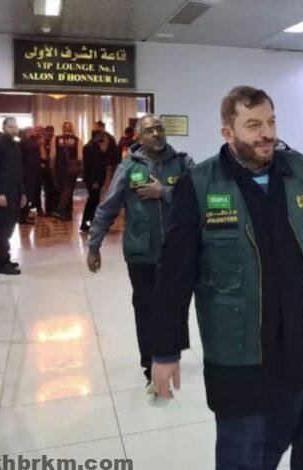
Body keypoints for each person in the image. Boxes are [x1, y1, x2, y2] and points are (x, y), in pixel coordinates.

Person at [150, 86, 303, 470]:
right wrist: (165, 352)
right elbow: (174, 275)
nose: (267, 133)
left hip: (296, 342)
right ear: (228, 132)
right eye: (253, 125)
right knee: (241, 450)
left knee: (282, 434)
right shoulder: (200, 183)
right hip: (236, 352)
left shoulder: (295, 171)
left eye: (271, 122)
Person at [87, 115, 193, 383]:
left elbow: (198, 199)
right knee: (146, 308)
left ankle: (169, 356)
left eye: (159, 129)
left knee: (173, 308)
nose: (156, 134)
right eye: (149, 131)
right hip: (141, 253)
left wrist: (164, 192)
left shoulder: (183, 163)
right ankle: (150, 364)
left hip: (176, 253)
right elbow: (108, 208)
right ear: (139, 136)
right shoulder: (127, 168)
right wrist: (94, 245)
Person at [0, 117, 26, 275]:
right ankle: (3, 264)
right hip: (2, 194)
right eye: (10, 126)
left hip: (15, 193)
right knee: (2, 230)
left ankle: (1, 261)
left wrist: (23, 193)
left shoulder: (15, 145)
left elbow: (19, 171)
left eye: (15, 126)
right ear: (4, 128)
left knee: (10, 227)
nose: (13, 129)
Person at [80, 131, 108, 233]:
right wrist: (95, 180)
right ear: (97, 136)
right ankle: (88, 222)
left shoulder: (92, 146)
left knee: (94, 201)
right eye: (101, 136)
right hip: (93, 179)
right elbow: (94, 165)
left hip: (94, 179)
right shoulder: (91, 148)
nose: (102, 138)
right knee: (93, 201)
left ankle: (89, 222)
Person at [52, 121, 80, 222]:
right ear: (71, 128)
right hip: (72, 169)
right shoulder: (77, 140)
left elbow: (52, 156)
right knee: (69, 189)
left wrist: (53, 169)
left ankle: (62, 211)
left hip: (59, 168)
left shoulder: (56, 139)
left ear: (63, 128)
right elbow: (80, 157)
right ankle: (65, 211)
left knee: (62, 189)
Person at [19, 126, 42, 224]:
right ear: (27, 132)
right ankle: (23, 216)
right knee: (27, 194)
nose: (33, 133)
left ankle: (25, 214)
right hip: (28, 172)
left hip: (31, 172)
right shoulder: (25, 142)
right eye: (32, 131)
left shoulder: (28, 142)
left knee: (30, 194)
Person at [39, 125, 57, 215]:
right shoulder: (42, 142)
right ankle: (48, 210)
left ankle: (53, 208)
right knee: (47, 189)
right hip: (45, 168)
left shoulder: (55, 141)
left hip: (54, 169)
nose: (50, 133)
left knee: (54, 189)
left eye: (51, 131)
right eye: (48, 131)